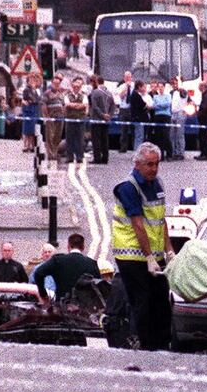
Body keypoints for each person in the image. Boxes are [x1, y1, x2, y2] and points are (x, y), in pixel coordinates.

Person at [111, 143, 176, 350]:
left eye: (157, 164)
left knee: (161, 301)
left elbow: (160, 220)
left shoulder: (157, 184)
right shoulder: (128, 187)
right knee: (142, 301)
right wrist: (149, 257)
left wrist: (169, 250)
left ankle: (162, 345)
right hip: (131, 255)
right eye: (149, 164)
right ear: (137, 164)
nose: (154, 169)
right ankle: (145, 346)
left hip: (152, 256)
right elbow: (138, 224)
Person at [34, 233, 100, 303]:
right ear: (83, 247)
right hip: (84, 307)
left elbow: (38, 273)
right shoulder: (92, 263)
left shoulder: (58, 260)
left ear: (68, 246)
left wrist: (43, 294)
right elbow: (98, 285)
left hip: (62, 306)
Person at [40, 74, 67, 166]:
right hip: (51, 117)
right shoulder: (47, 93)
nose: (56, 85)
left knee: (57, 136)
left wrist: (63, 113)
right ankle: (51, 154)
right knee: (50, 136)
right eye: (55, 83)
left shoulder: (60, 94)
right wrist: (46, 116)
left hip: (60, 118)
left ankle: (55, 152)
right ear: (51, 83)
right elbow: (43, 105)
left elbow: (63, 104)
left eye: (58, 84)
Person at [88, 75, 115, 164]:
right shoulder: (109, 93)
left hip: (96, 119)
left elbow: (95, 107)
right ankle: (105, 158)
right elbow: (113, 106)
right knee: (105, 139)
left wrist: (102, 115)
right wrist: (109, 116)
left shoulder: (95, 92)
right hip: (106, 121)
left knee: (96, 140)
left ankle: (97, 158)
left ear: (96, 82)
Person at [64, 76, 89, 164]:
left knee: (80, 139)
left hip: (80, 120)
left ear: (80, 88)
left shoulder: (84, 96)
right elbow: (67, 105)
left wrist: (73, 105)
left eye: (78, 87)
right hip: (70, 120)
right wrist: (78, 105)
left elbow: (85, 105)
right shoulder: (67, 96)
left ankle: (79, 157)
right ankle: (69, 157)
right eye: (74, 87)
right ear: (72, 87)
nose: (76, 88)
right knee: (69, 139)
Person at [21, 74, 42, 153]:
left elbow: (38, 100)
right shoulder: (26, 90)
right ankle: (26, 145)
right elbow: (26, 99)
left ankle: (32, 145)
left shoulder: (37, 90)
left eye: (34, 81)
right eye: (30, 80)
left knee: (33, 130)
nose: (32, 82)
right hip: (28, 111)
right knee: (26, 130)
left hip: (35, 111)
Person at [152, 81, 173, 160]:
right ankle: (161, 155)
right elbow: (154, 106)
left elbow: (167, 104)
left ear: (164, 87)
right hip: (157, 116)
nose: (160, 88)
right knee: (158, 136)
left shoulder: (168, 96)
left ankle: (169, 155)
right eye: (159, 87)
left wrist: (159, 105)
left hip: (166, 116)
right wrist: (160, 105)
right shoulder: (155, 97)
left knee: (166, 135)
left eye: (162, 86)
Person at [169, 77, 188, 161]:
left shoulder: (183, 92)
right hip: (172, 114)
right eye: (173, 83)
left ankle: (180, 153)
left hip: (180, 114)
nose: (174, 85)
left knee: (180, 135)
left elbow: (184, 94)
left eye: (176, 83)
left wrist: (180, 87)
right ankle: (173, 152)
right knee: (172, 135)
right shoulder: (171, 92)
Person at [195, 82, 207, 161]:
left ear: (203, 87)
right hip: (204, 119)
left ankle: (205, 155)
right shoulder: (205, 95)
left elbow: (205, 107)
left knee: (204, 137)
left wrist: (198, 112)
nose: (198, 88)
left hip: (205, 120)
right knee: (202, 137)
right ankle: (202, 153)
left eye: (199, 86)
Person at [129, 80, 151, 152]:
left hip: (136, 118)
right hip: (138, 119)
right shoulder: (136, 95)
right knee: (139, 136)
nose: (144, 89)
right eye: (143, 87)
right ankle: (137, 153)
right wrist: (147, 106)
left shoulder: (134, 94)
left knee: (138, 136)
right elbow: (143, 105)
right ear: (139, 87)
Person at [117, 71, 135, 153]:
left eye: (129, 77)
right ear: (124, 78)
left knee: (133, 129)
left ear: (131, 78)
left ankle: (134, 147)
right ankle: (123, 147)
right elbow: (120, 96)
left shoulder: (134, 86)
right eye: (126, 77)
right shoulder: (121, 86)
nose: (128, 78)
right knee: (124, 129)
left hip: (132, 109)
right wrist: (126, 88)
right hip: (124, 109)